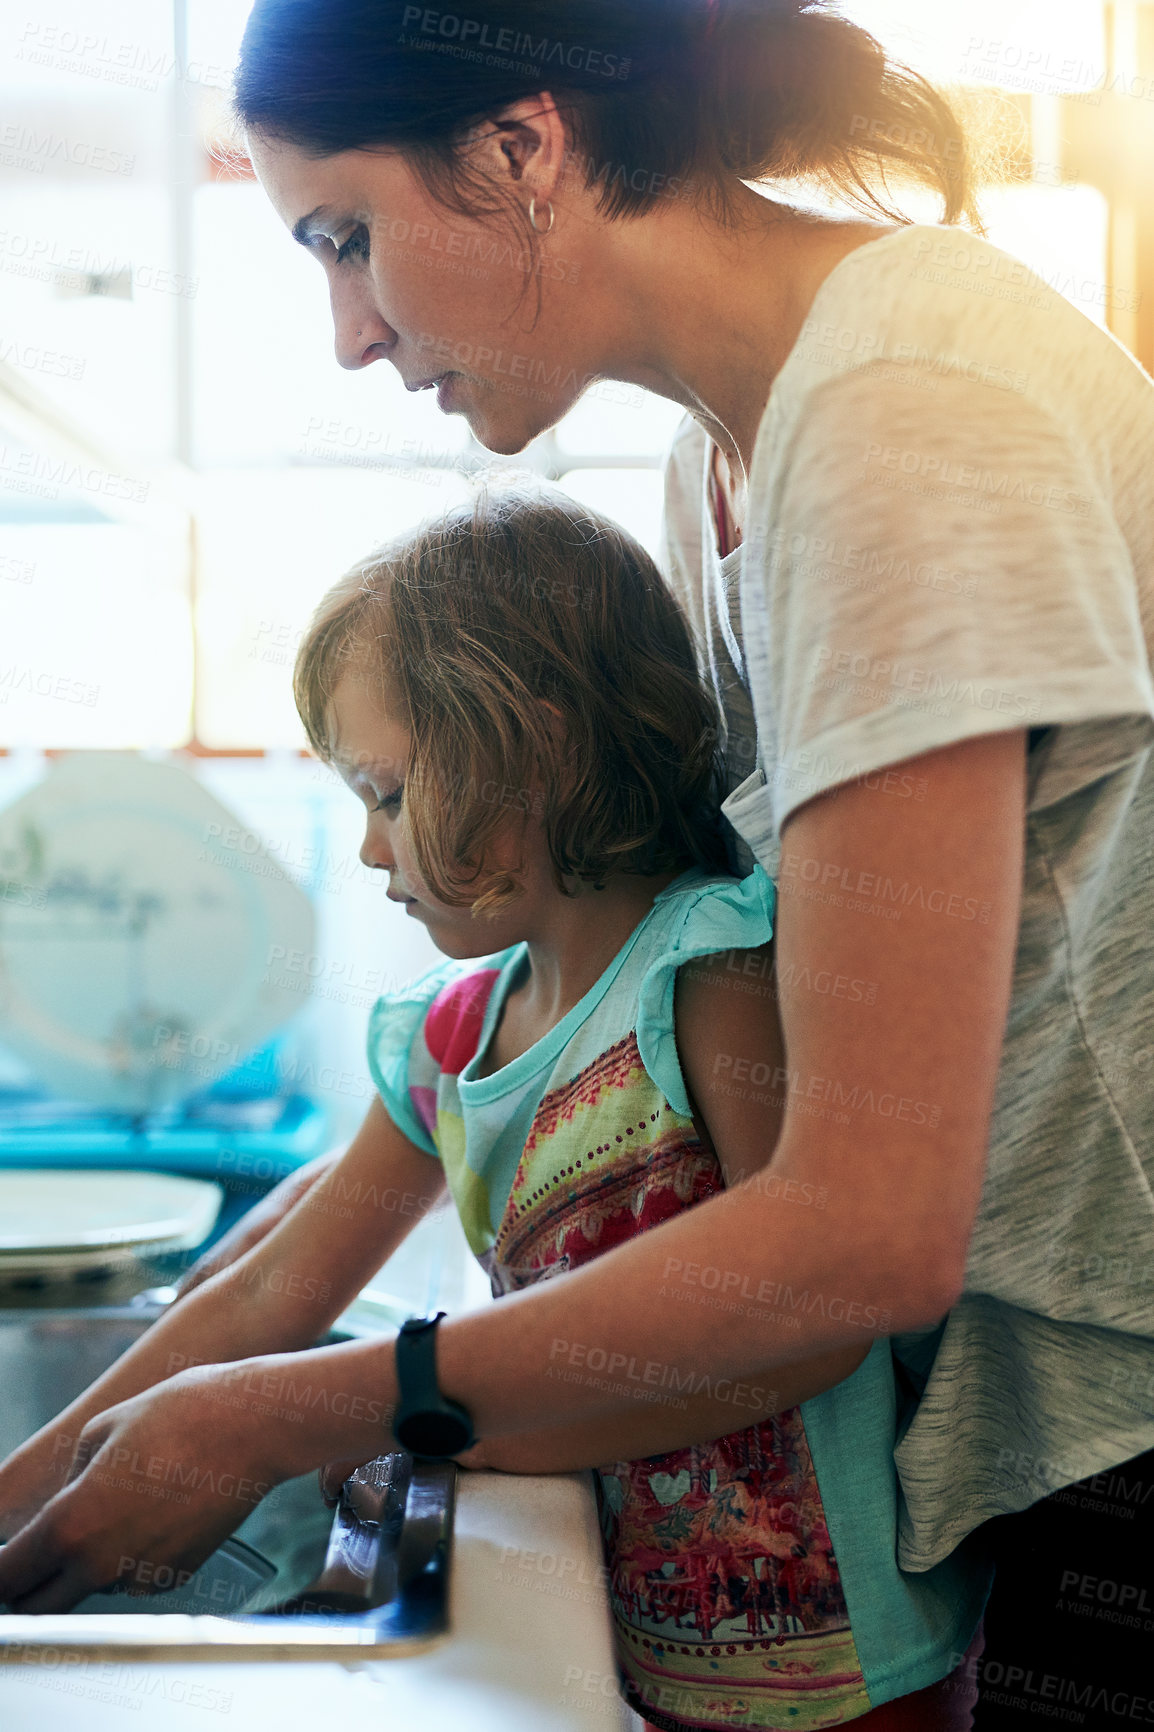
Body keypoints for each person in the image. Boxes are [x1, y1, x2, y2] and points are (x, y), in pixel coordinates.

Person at [4, 1, 1153, 1722]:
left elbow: (854, 1237)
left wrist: (288, 1409)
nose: (344, 332)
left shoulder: (902, 409)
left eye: (344, 237)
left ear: (520, 151)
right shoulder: (725, 458)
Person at [0, 486, 986, 1729]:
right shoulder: (446, 1036)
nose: (369, 849)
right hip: (632, 1639)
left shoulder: (707, 976)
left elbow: (808, 1331)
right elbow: (262, 1292)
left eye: (388, 793)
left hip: (834, 1665)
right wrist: (23, 1499)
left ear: (534, 745)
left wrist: (477, 1435)